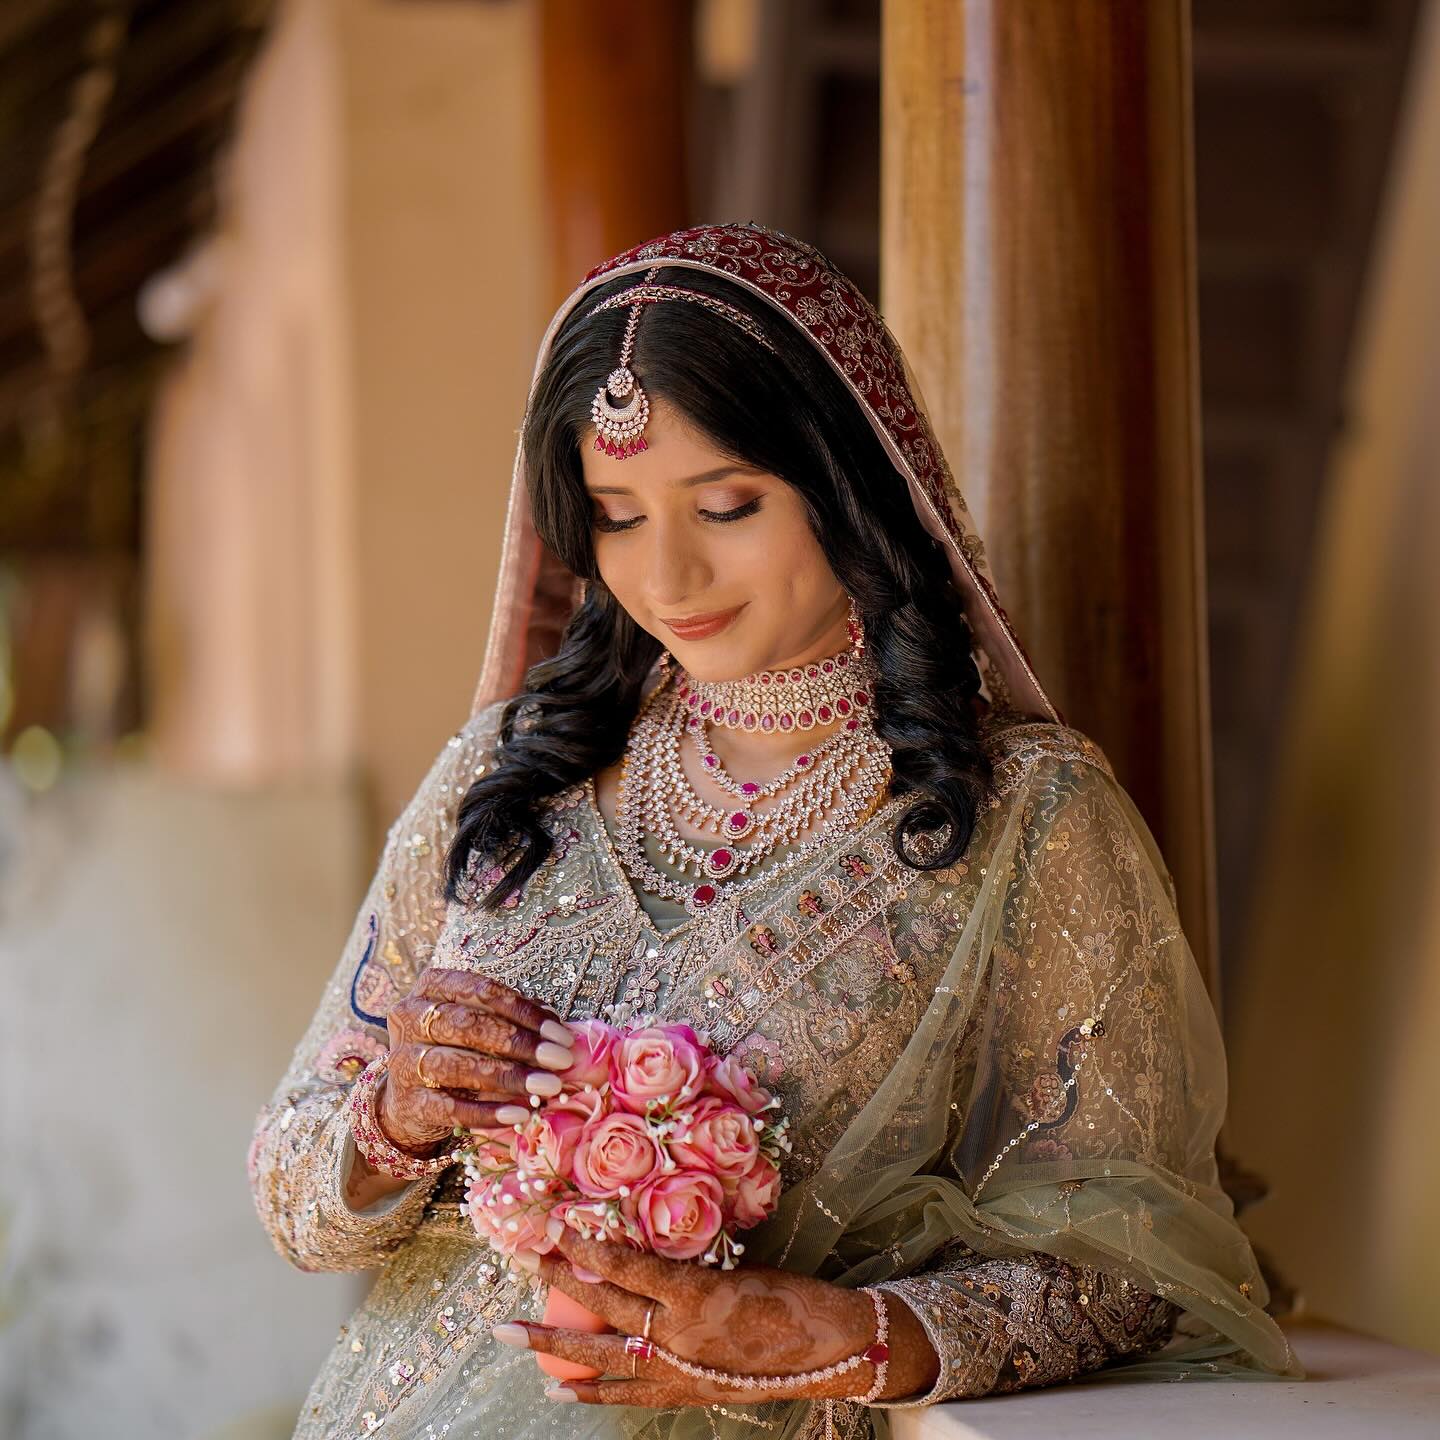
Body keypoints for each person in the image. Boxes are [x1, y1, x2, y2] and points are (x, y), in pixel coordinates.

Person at [249, 222, 1300, 1440]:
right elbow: (290, 1189)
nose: (671, 575)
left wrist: (840, 1340)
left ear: (849, 483)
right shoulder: (506, 780)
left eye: (728, 503)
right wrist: (393, 1116)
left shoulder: (1021, 819)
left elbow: (1131, 1267)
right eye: (615, 516)